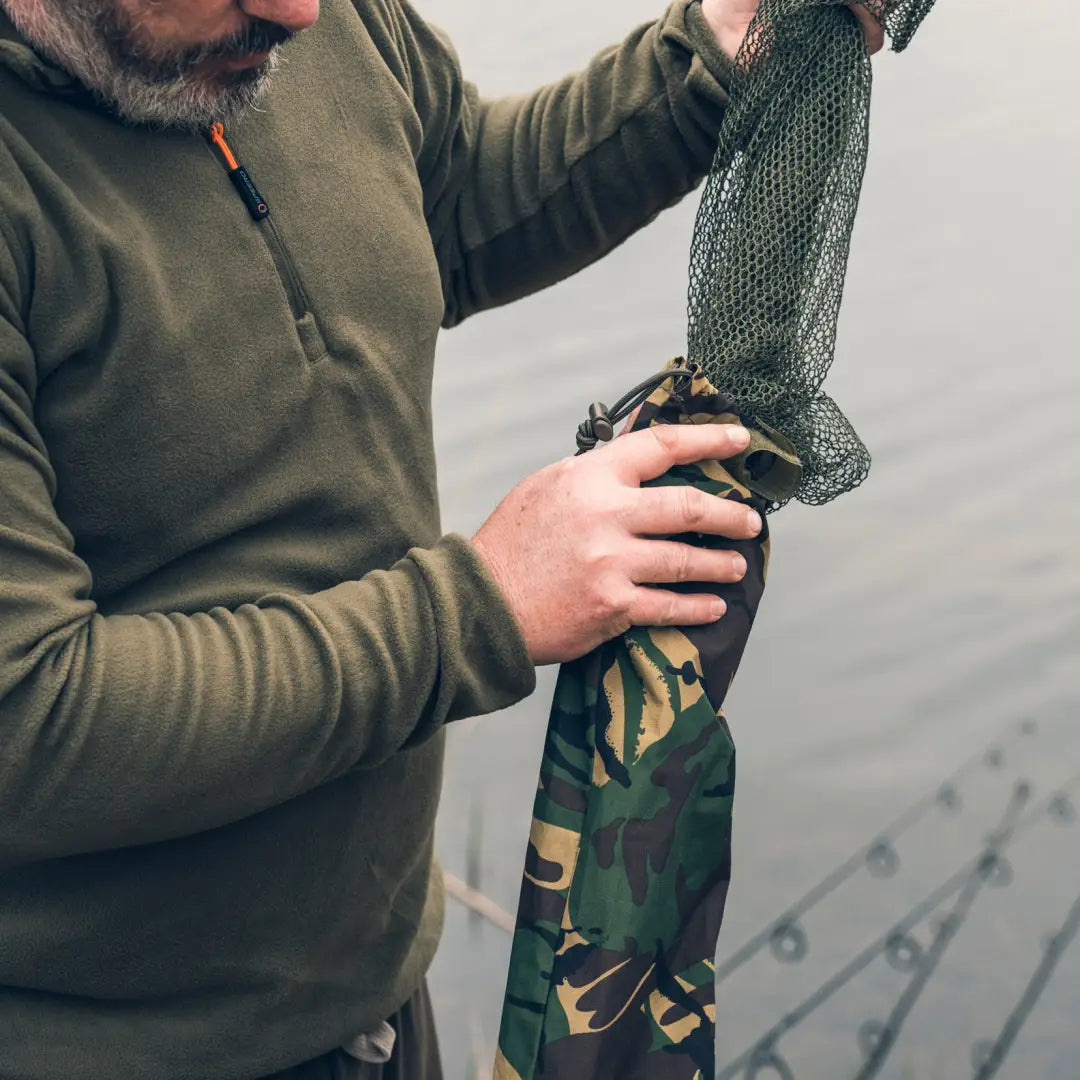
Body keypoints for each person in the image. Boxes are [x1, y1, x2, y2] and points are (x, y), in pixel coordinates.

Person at [0, 1, 883, 1077]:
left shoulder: (313, 21)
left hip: (370, 997)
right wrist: (487, 607)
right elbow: (30, 723)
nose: (298, 14)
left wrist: (708, 54)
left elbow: (447, 201)